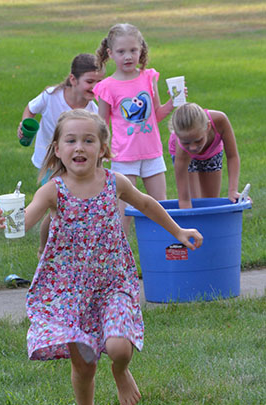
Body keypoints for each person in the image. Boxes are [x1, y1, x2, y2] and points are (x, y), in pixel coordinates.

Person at [0, 109, 203, 405]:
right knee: (85, 364)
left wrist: (179, 232)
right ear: (57, 149)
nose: (79, 147)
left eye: (88, 140)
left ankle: (120, 371)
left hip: (113, 281)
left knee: (118, 346)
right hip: (71, 291)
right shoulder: (52, 190)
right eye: (71, 140)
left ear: (103, 148)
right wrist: (10, 219)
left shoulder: (113, 182)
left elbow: (146, 203)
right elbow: (26, 220)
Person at [17, 53, 105, 256]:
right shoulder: (51, 96)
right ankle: (43, 250)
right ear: (73, 80)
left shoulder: (93, 109)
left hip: (76, 163)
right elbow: (30, 109)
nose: (96, 87)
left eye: (100, 82)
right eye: (90, 81)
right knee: (57, 208)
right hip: (49, 161)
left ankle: (72, 251)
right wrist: (25, 125)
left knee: (72, 209)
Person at [93, 23, 174, 235]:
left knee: (160, 207)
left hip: (152, 153)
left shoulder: (148, 77)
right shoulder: (107, 86)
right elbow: (101, 124)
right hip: (124, 157)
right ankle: (120, 260)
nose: (128, 56)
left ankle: (164, 252)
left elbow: (155, 115)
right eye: (121, 52)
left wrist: (173, 102)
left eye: (133, 50)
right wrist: (101, 153)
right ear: (110, 53)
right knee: (123, 212)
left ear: (141, 50)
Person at [169, 102, 241, 209]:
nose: (193, 147)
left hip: (212, 152)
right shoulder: (182, 150)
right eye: (186, 142)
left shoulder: (220, 120)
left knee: (210, 202)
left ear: (208, 126)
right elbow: (184, 200)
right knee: (196, 202)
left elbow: (232, 156)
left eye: (198, 140)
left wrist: (233, 190)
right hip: (187, 157)